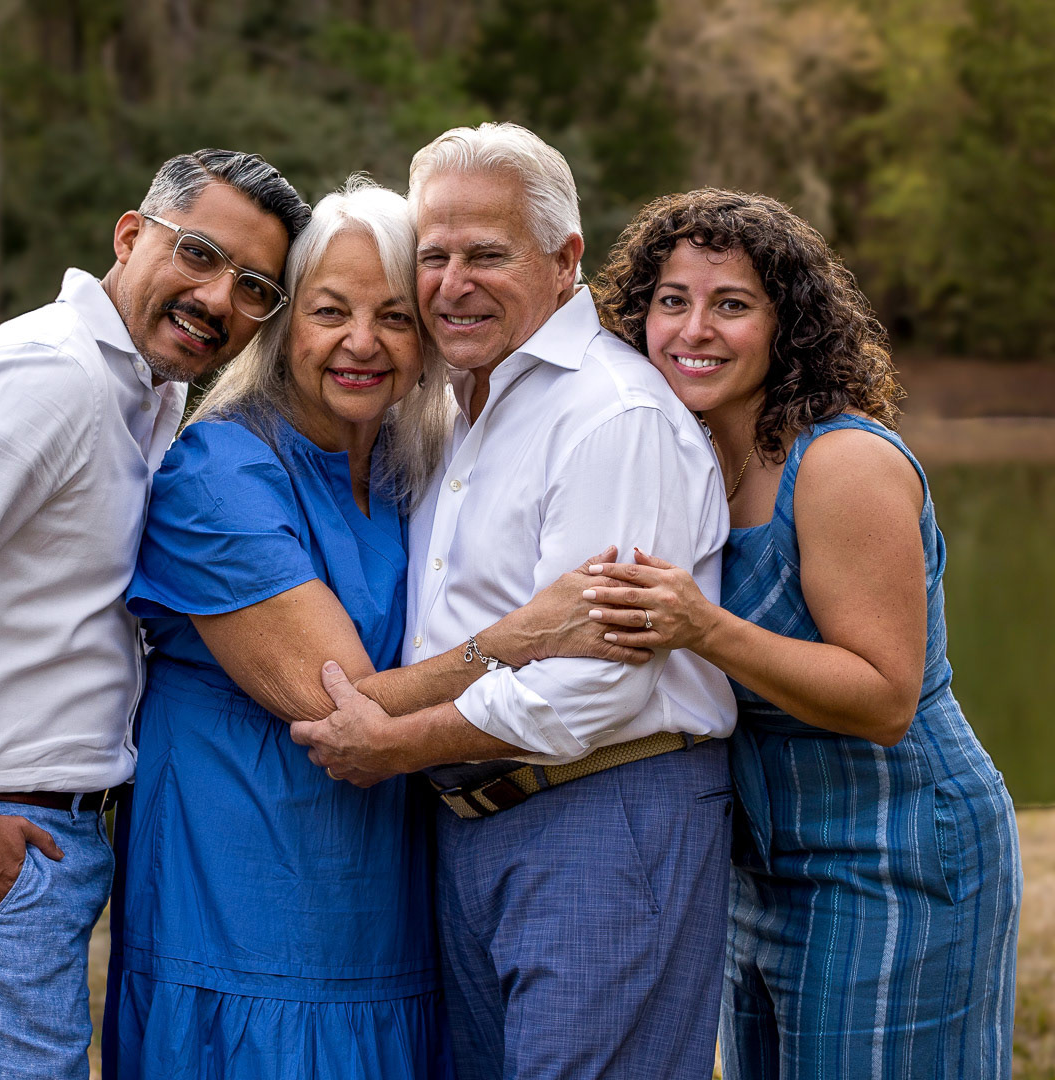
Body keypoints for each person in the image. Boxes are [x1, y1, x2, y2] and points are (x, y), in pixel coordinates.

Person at [109, 176, 646, 1079]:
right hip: (244, 885)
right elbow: (340, 702)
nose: (362, 344)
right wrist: (522, 637)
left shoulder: (416, 465)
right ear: (284, 327)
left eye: (395, 316)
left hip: (391, 884)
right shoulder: (219, 472)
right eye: (330, 312)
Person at [0, 148, 310, 1080]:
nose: (218, 298)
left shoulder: (146, 389)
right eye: (200, 255)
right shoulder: (50, 375)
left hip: (46, 824)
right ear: (131, 236)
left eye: (254, 286)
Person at [289, 125, 739, 1080]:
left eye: (487, 254)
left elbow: (598, 684)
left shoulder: (613, 417)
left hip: (605, 814)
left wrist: (398, 744)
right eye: (435, 256)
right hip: (473, 824)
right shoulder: (455, 405)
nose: (454, 281)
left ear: (565, 257)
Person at [587, 188, 1023, 1079]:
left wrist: (702, 627)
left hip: (899, 848)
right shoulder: (685, 454)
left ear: (788, 327)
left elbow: (885, 696)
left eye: (732, 304)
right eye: (672, 300)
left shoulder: (841, 463)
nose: (693, 328)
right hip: (764, 865)